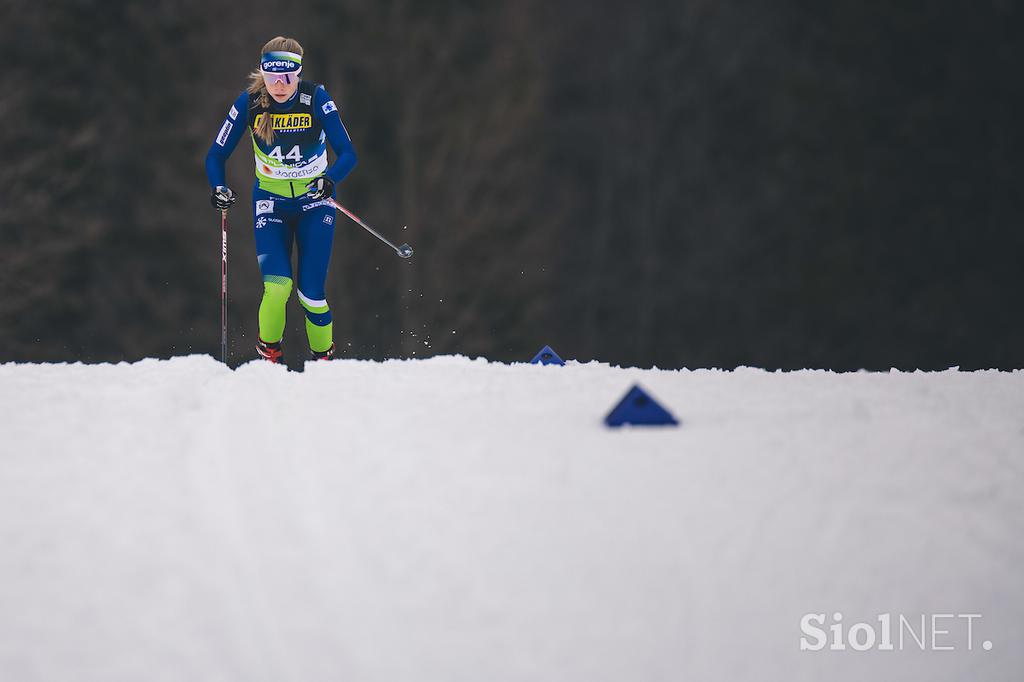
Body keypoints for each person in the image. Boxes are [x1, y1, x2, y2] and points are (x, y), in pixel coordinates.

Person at [205, 36, 357, 364]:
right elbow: (216, 155)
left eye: (288, 76)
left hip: (314, 204)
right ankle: (269, 359)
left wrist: (330, 180)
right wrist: (219, 188)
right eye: (272, 76)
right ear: (262, 72)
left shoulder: (315, 98)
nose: (280, 84)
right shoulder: (249, 103)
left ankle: (325, 363)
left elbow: (348, 153)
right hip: (271, 205)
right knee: (277, 287)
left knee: (311, 295)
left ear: (299, 73)